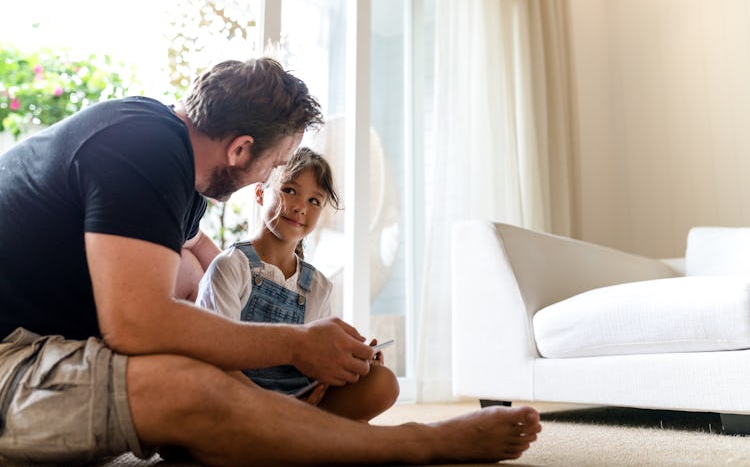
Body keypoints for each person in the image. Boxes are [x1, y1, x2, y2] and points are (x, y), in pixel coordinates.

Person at [0, 56, 541, 465]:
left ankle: (266, 434)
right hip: (12, 359)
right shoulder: (144, 145)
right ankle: (414, 443)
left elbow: (161, 306)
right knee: (191, 385)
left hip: (50, 343)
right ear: (240, 149)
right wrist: (297, 344)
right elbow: (138, 324)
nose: (267, 178)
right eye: (276, 165)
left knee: (210, 370)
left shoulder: (173, 176)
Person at [196, 146, 399, 421]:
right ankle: (298, 434)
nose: (300, 207)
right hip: (238, 399)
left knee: (382, 382)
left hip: (300, 403)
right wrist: (273, 408)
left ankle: (296, 434)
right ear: (259, 193)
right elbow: (215, 360)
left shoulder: (317, 285)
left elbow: (316, 369)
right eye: (289, 190)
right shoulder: (231, 266)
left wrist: (352, 365)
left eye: (315, 201)